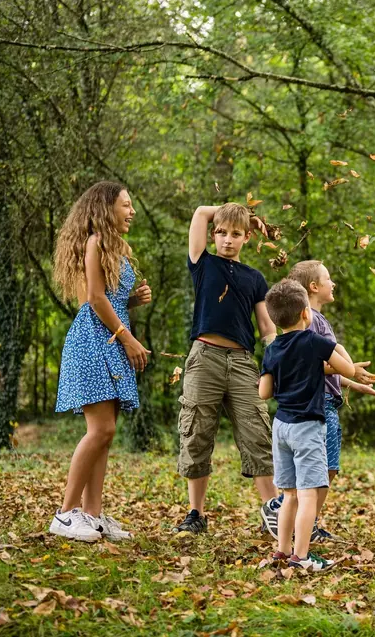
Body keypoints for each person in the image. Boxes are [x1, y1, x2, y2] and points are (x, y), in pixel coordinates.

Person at [50, 181, 152, 542]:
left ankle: (92, 516)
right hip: (93, 341)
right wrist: (128, 338)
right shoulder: (94, 242)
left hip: (109, 338)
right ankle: (65, 514)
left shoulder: (115, 248)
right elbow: (93, 298)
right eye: (126, 205)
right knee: (100, 430)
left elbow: (109, 298)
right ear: (105, 208)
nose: (132, 211)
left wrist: (133, 301)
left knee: (106, 434)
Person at [260, 260, 375, 541]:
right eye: (328, 278)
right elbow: (310, 365)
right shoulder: (311, 324)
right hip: (317, 406)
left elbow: (317, 370)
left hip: (302, 410)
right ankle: (294, 519)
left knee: (324, 469)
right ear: (313, 287)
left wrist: (354, 383)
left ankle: (301, 523)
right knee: (319, 472)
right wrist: (349, 366)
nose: (333, 283)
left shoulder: (310, 323)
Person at [173, 203, 278, 535]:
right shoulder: (202, 264)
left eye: (235, 234)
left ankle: (273, 511)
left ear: (247, 238)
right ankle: (196, 513)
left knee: (257, 431)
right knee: (197, 431)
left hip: (243, 363)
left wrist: (277, 357)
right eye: (221, 233)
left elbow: (266, 326)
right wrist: (241, 213)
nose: (227, 240)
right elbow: (199, 213)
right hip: (205, 358)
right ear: (213, 236)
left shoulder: (255, 278)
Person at [259, 279, 356, 573]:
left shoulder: (272, 349)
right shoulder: (315, 342)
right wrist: (335, 348)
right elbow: (349, 370)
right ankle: (301, 557)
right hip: (308, 427)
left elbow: (264, 392)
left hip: (281, 426)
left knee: (288, 494)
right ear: (305, 313)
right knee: (308, 494)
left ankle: (282, 551)